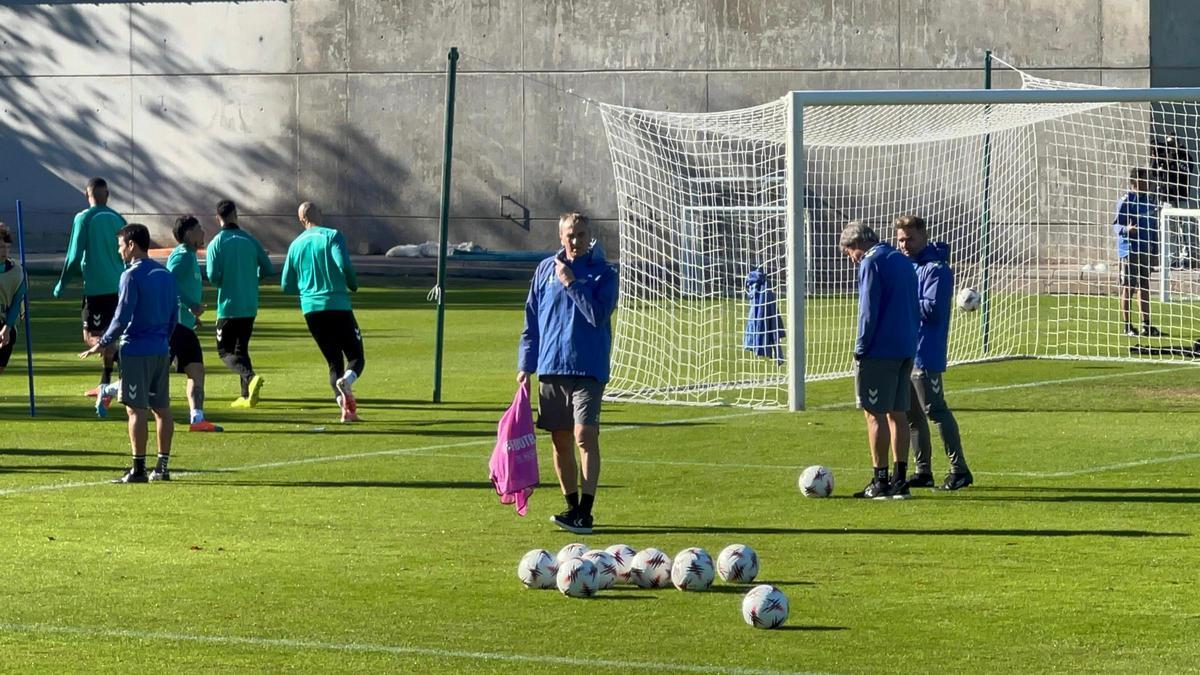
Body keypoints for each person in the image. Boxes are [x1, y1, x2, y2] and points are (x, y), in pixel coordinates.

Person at [517, 212, 619, 534]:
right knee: (560, 440)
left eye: (581, 234)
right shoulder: (545, 270)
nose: (576, 241)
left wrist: (572, 284)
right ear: (560, 236)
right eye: (570, 235)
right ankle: (571, 507)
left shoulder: (604, 274)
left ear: (590, 236)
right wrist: (525, 365)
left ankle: (586, 512)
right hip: (551, 367)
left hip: (588, 368)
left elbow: (597, 315)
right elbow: (531, 322)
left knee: (584, 436)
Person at [80, 224, 178, 483]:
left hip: (136, 350)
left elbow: (121, 315)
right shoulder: (165, 273)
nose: (119, 251)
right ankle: (162, 466)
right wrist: (164, 342)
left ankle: (138, 469)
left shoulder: (130, 276)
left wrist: (103, 342)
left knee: (136, 410)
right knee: (162, 408)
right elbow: (173, 315)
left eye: (121, 246)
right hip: (160, 349)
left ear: (132, 245)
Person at [840, 220, 919, 500]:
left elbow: (868, 311)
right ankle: (900, 479)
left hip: (880, 350)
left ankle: (880, 480)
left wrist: (861, 347)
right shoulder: (901, 259)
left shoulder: (871, 262)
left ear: (857, 245)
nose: (852, 260)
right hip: (906, 346)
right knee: (898, 413)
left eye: (849, 253)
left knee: (874, 414)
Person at [894, 215, 973, 491]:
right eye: (901, 239)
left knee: (936, 410)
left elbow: (933, 309)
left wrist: (901, 300)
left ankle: (959, 469)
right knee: (911, 415)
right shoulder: (907, 265)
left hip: (926, 353)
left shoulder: (935, 269)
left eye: (910, 239)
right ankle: (923, 470)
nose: (904, 244)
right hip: (906, 350)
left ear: (924, 236)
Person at [281, 202, 365, 423]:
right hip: (337, 304)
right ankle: (347, 381)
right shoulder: (332, 236)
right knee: (356, 356)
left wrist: (307, 287)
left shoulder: (295, 245)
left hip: (311, 310)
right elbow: (343, 265)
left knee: (333, 361)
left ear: (301, 220)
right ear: (319, 213)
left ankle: (347, 411)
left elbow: (286, 285)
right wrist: (352, 284)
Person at [53, 177, 127, 414]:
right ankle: (105, 384)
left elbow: (74, 256)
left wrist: (61, 284)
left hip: (95, 290)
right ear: (108, 194)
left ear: (87, 195)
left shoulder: (84, 218)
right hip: (118, 287)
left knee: (92, 338)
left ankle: (126, 371)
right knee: (110, 335)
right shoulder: (118, 218)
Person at [206, 199, 273, 407]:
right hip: (249, 304)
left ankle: (250, 378)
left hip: (228, 306)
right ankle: (245, 395)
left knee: (224, 351)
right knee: (241, 350)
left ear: (218, 218)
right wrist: (252, 279)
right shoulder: (249, 239)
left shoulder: (217, 243)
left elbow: (213, 276)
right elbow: (268, 268)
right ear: (236, 215)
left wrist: (226, 279)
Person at [167, 215, 223, 432]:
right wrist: (191, 305)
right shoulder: (180, 257)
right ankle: (112, 390)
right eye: (199, 229)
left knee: (197, 371)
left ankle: (197, 419)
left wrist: (193, 316)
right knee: (154, 375)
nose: (203, 233)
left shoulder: (190, 256)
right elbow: (169, 284)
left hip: (186, 326)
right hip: (174, 326)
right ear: (189, 233)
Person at [1113, 167, 1160, 337]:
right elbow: (1116, 225)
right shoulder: (1126, 200)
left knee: (1145, 286)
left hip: (1145, 250)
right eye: (1145, 179)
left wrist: (1155, 248)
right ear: (1136, 181)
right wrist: (1126, 229)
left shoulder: (1149, 201)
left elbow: (1153, 226)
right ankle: (1127, 326)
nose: (1149, 182)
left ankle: (1146, 325)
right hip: (1129, 249)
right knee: (1128, 287)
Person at [0, 223, 27, 377]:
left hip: (7, 323)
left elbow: (17, 302)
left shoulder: (17, 272)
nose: (3, 251)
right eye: (0, 247)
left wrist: (7, 328)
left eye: (6, 247)